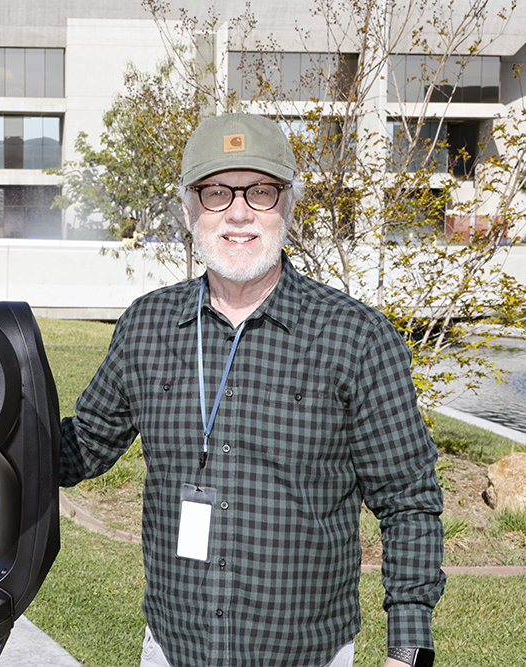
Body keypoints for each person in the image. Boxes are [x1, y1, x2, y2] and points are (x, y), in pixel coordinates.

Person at [58, 113, 445, 667]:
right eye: (216, 192)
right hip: (174, 649)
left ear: (288, 204)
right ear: (189, 208)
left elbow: (408, 498)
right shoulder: (147, 326)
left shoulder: (356, 338)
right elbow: (85, 445)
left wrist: (409, 650)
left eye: (260, 192)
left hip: (306, 653)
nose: (238, 213)